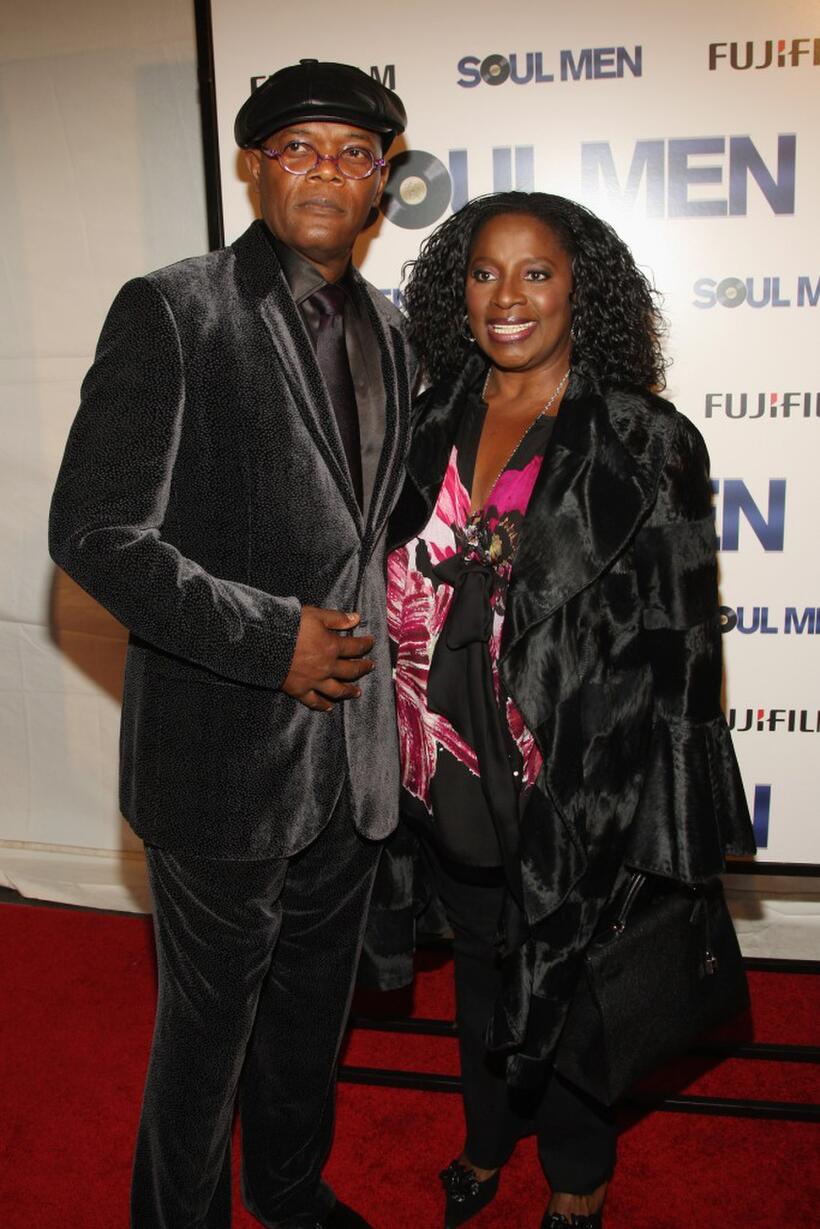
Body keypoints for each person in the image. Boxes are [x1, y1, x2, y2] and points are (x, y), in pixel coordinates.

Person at [49, 60, 414, 1229]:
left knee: (312, 1015)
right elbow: (96, 533)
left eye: (353, 153)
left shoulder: (396, 330)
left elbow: (371, 528)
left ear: (383, 182)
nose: (324, 171)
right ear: (251, 164)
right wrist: (273, 642)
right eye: (297, 146)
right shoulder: (174, 306)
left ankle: (291, 1191)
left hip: (353, 757)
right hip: (218, 757)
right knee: (203, 1042)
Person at [362, 191, 756, 1228]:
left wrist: (670, 805)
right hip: (443, 752)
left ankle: (578, 1166)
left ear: (581, 285)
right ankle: (487, 1134)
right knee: (482, 963)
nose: (507, 297)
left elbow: (684, 635)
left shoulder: (643, 437)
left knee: (575, 969)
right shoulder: (425, 415)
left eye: (535, 272)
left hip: (575, 768)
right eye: (484, 272)